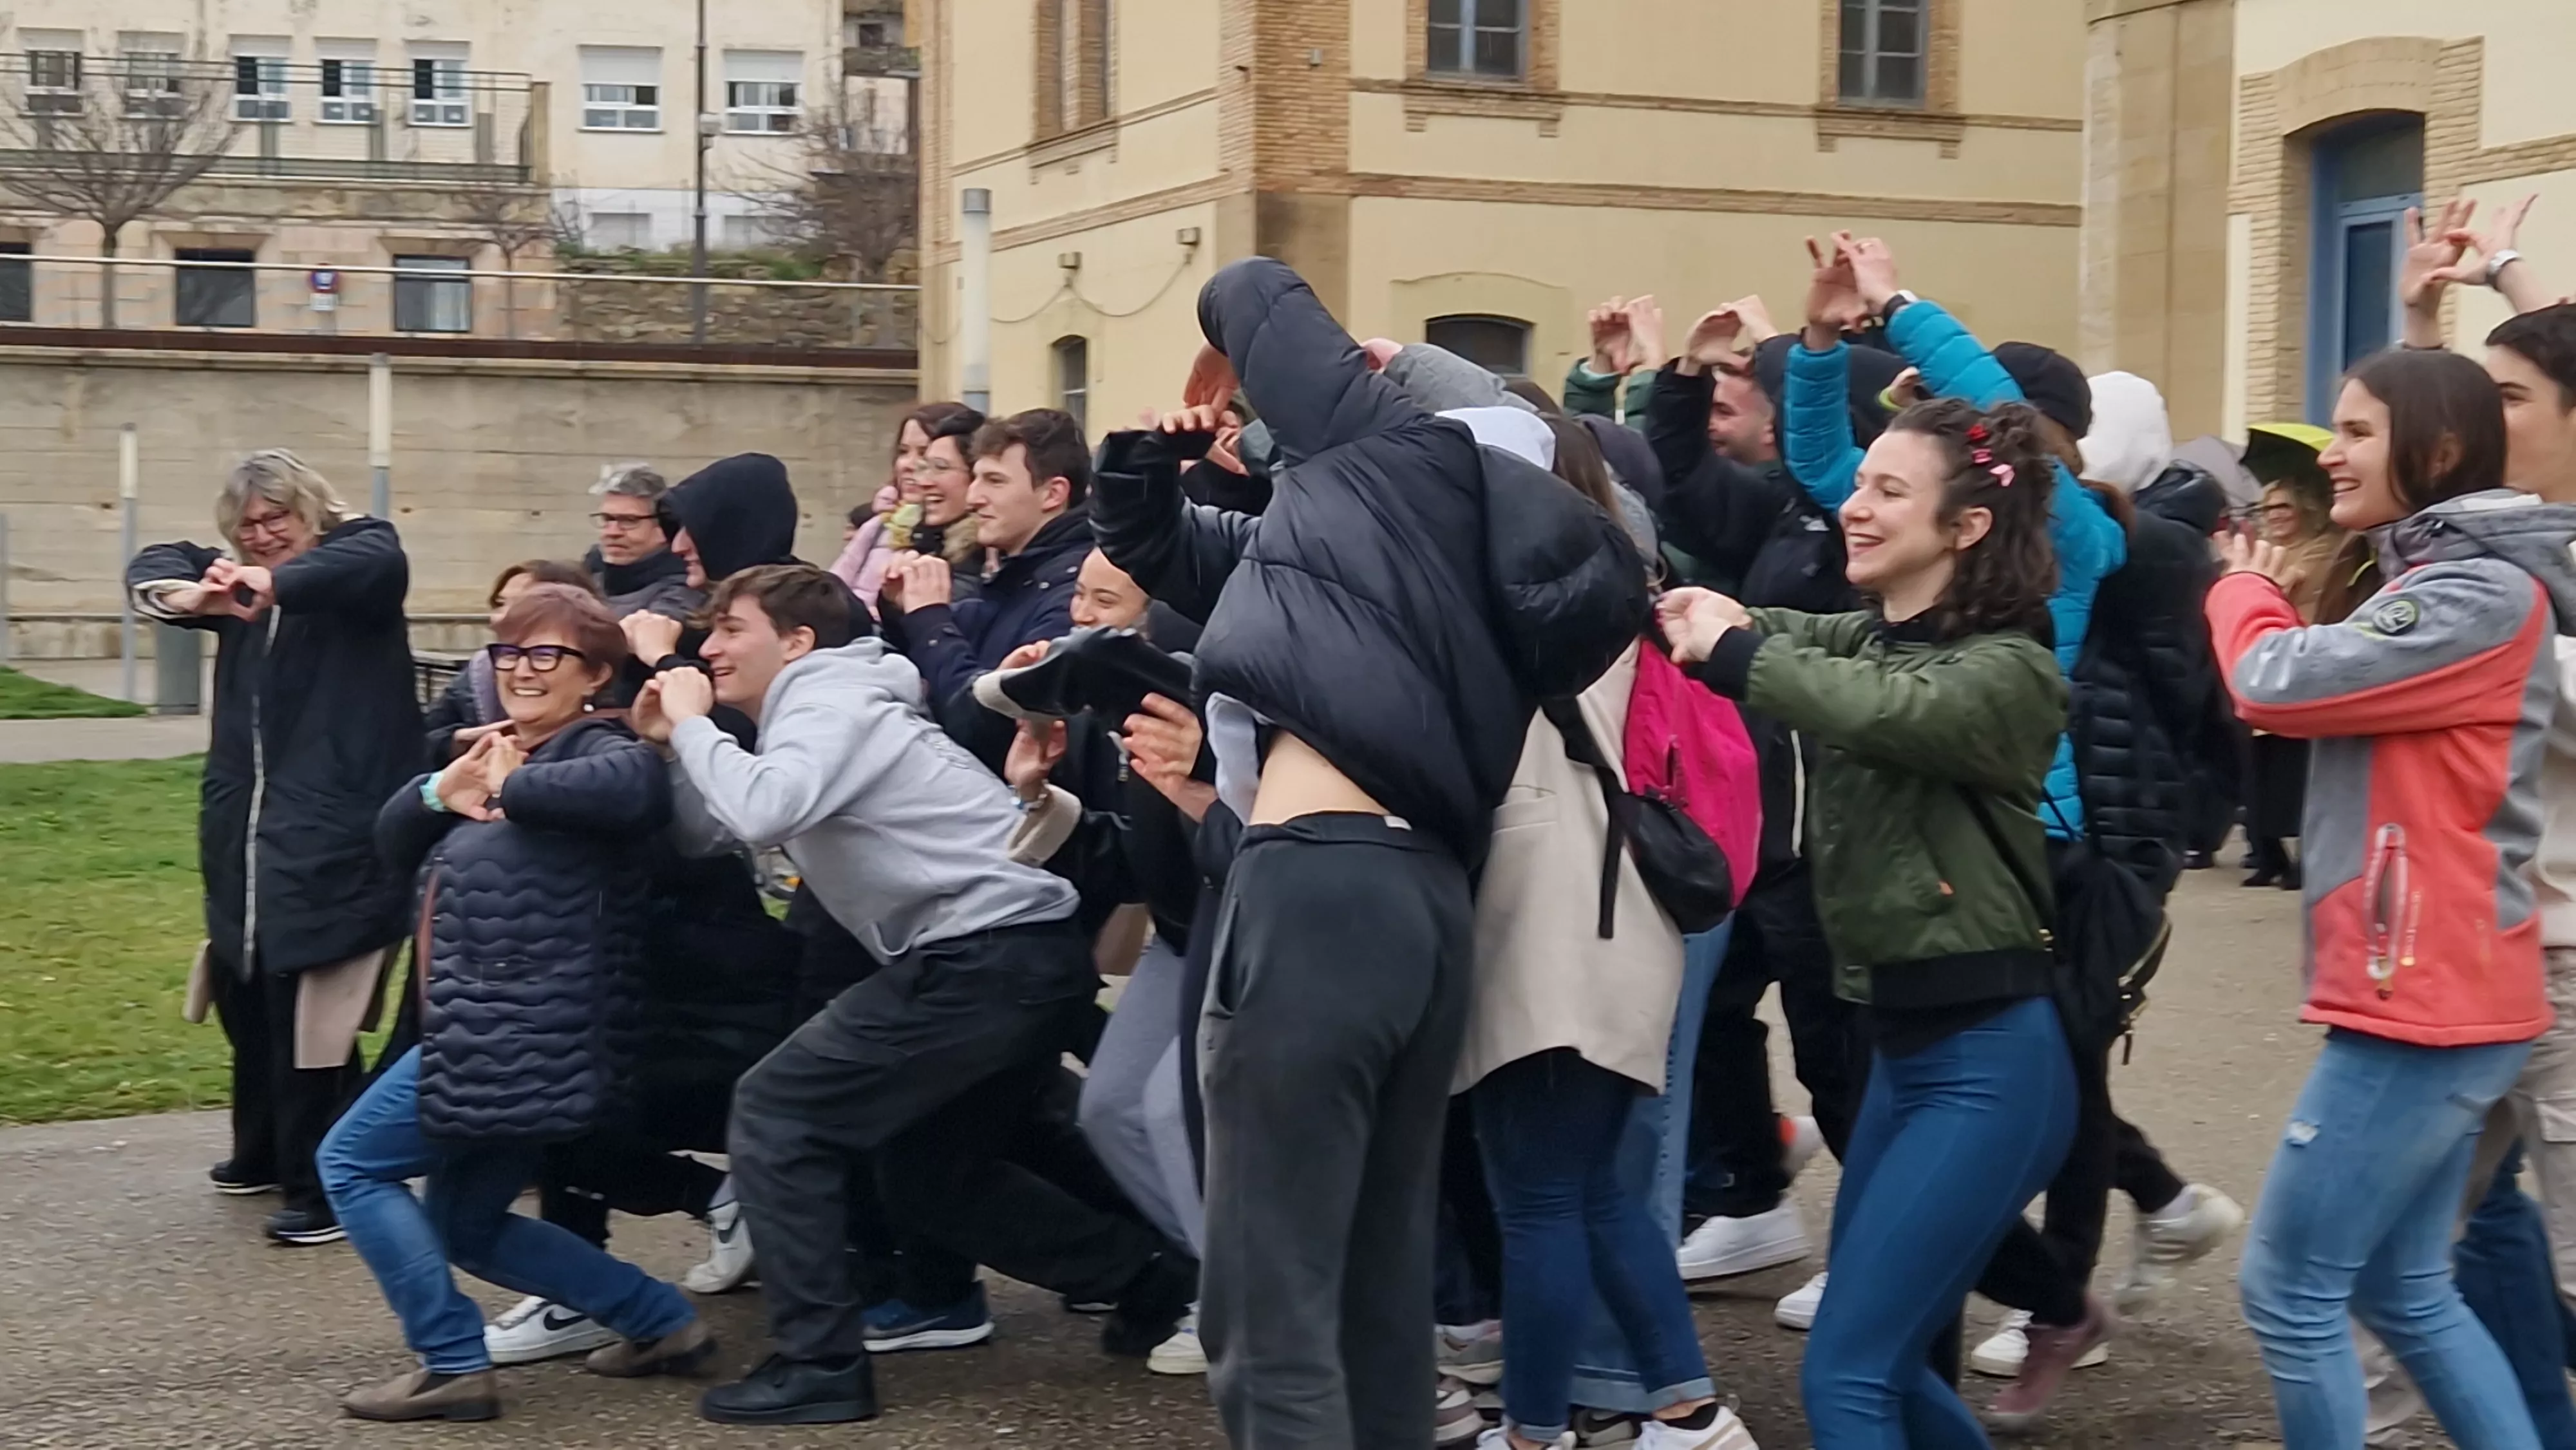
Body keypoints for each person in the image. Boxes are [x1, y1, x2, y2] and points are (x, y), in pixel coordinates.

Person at [1093, 257, 1647, 1449]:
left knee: (1272, 1304)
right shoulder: (1467, 548)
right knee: (1374, 1300)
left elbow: (1252, 287)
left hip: (1317, 896)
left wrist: (1235, 375)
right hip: (1414, 906)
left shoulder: (1405, 456)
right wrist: (1152, 466)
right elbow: (1167, 550)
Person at [627, 564, 1195, 1426]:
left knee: (779, 1112)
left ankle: (819, 1363)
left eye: (729, 630)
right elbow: (709, 826)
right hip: (1008, 958)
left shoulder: (831, 700)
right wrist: (676, 745)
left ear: (799, 640)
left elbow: (762, 810)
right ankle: (1153, 1280)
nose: (708, 649)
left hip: (988, 956)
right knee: (931, 1174)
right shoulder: (818, 709)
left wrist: (697, 724)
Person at [1661, 396, 2079, 1447]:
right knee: (1880, 1368)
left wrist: (1736, 654)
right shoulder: (1872, 633)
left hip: (1990, 1062)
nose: (1854, 506)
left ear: (1967, 524)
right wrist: (1667, 599)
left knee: (1846, 1373)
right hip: (1902, 1051)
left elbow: (1875, 710)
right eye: (1859, 484)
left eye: (1889, 490)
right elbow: (1788, 638)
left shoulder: (2009, 671)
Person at [2213, 344, 2576, 1450]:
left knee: (2289, 1289)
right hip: (2439, 986)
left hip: (2430, 993)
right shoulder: (2446, 574)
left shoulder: (2479, 590)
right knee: (2398, 1285)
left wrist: (2239, 583)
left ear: (2443, 450)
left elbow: (2275, 681)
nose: (2334, 454)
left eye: (2359, 432)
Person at [322, 584, 712, 1423]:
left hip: (519, 1040)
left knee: (349, 1163)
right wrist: (440, 790)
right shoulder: (507, 753)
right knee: (467, 1222)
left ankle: (451, 1362)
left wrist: (515, 784)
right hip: (498, 1037)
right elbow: (393, 843)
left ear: (596, 674)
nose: (520, 672)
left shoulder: (606, 752)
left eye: (546, 655)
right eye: (507, 653)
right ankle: (661, 1322)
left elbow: (631, 794)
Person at [1455, 417, 1762, 1450]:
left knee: (1540, 1199)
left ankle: (1534, 1433)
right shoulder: (1618, 595)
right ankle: (1687, 1408)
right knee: (1591, 1190)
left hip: (1554, 931)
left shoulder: (1544, 607)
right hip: (1616, 926)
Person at [128, 449, 422, 1247]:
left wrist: (273, 584)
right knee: (243, 982)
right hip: (248, 831)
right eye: (249, 526)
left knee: (312, 1007)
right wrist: (191, 590)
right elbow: (157, 562)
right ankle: (261, 1149)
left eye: (277, 520)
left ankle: (325, 1182)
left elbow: (371, 556)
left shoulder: (357, 562)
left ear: (310, 512)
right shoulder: (234, 581)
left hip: (333, 831)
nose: (262, 537)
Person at [882, 408, 1094, 753]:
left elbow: (991, 732)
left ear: (1053, 494)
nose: (973, 498)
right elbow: (970, 637)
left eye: (995, 481)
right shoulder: (1021, 574)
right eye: (976, 478)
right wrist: (901, 608)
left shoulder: (1079, 589)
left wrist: (930, 620)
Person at [2240, 474, 2340, 888]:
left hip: (2304, 661)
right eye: (2268, 509)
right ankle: (2266, 852)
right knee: (2257, 767)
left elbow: (2279, 585)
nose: (2275, 516)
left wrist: (2247, 579)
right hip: (2262, 655)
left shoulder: (2323, 547)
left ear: (2305, 509)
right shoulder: (2270, 549)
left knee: (2295, 769)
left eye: (2284, 506)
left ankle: (2303, 857)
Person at [423, 560, 600, 766]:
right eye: (500, 604)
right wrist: (460, 741)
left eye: (522, 605)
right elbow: (423, 740)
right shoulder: (481, 669)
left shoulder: (601, 745)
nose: (501, 617)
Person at [831, 401, 978, 610]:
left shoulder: (980, 548)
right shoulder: (881, 524)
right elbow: (835, 586)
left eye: (935, 464)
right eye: (903, 451)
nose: (909, 465)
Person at [585, 463, 698, 621]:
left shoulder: (687, 587)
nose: (611, 532)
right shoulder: (589, 571)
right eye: (607, 519)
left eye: (630, 521)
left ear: (664, 525)